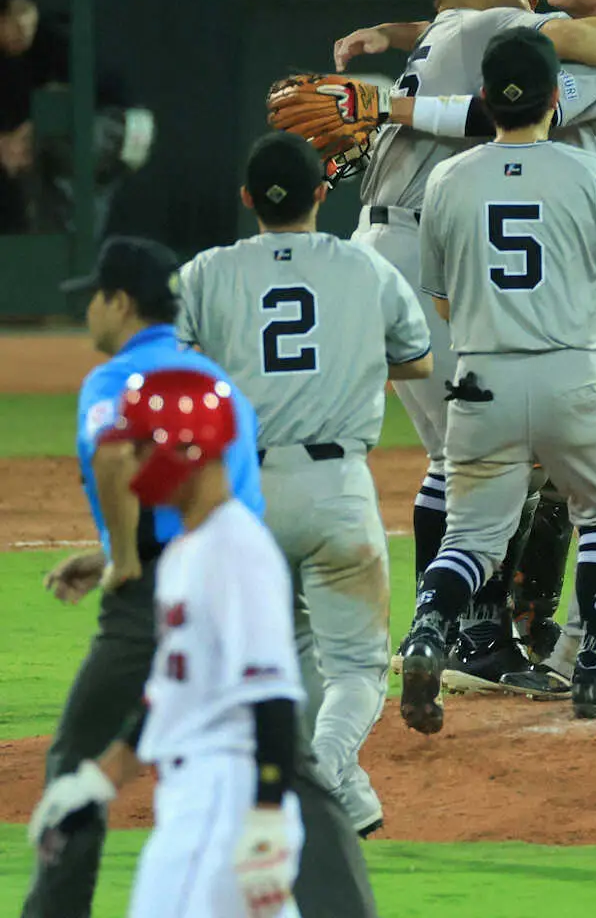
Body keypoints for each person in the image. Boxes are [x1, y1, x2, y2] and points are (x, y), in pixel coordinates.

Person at [331, 0, 596, 691]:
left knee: (509, 458)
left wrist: (384, 86)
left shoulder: (471, 29)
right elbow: (517, 101)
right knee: (554, 465)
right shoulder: (504, 27)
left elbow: (521, 94)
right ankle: (510, 640)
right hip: (587, 272)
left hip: (411, 249)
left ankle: (512, 629)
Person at [22, 236, 378, 918]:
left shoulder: (122, 383)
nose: (88, 312)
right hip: (206, 566)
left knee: (79, 748)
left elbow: (113, 462)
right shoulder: (214, 385)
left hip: (161, 601)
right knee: (290, 758)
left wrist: (122, 559)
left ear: (119, 302)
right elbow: (200, 499)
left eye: (93, 299)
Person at [400, 26, 596, 733]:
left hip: (482, 378)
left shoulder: (448, 178)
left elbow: (441, 298)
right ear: (556, 98)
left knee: (471, 539)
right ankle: (594, 668)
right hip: (572, 373)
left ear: (486, 99)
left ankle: (430, 628)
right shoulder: (589, 173)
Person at [176, 130, 433, 838]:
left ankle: (350, 799)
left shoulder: (204, 273)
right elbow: (415, 361)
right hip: (334, 489)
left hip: (244, 497)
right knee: (356, 667)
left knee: (290, 647)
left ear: (246, 199)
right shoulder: (365, 268)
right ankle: (326, 768)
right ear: (325, 192)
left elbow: (177, 371)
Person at [27, 368, 305, 918]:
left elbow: (273, 696)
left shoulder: (235, 552)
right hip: (196, 798)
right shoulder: (183, 551)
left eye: (138, 445)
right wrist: (96, 783)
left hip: (226, 803)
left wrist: (267, 816)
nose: (127, 460)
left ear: (185, 449)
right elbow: (164, 695)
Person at [0, 0, 148, 238]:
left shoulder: (57, 39)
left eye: (24, 12)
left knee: (40, 147)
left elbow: (86, 98)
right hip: (84, 152)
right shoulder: (12, 65)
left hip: (119, 124)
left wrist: (26, 135)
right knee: (64, 214)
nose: (20, 26)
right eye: (8, 19)